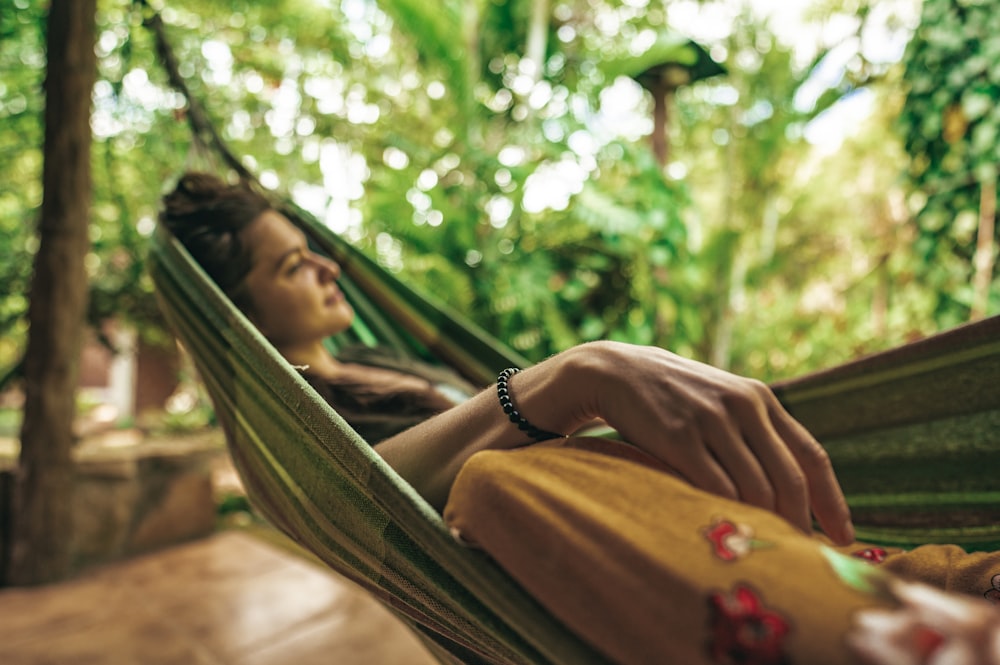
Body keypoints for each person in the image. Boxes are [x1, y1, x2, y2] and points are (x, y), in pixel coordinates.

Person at [160, 172, 1000, 665]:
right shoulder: (297, 430)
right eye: (291, 262)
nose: (326, 264)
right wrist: (566, 380)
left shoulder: (387, 365)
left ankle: (949, 586)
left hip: (712, 538)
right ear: (236, 312)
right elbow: (355, 499)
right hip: (569, 547)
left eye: (315, 246)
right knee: (501, 475)